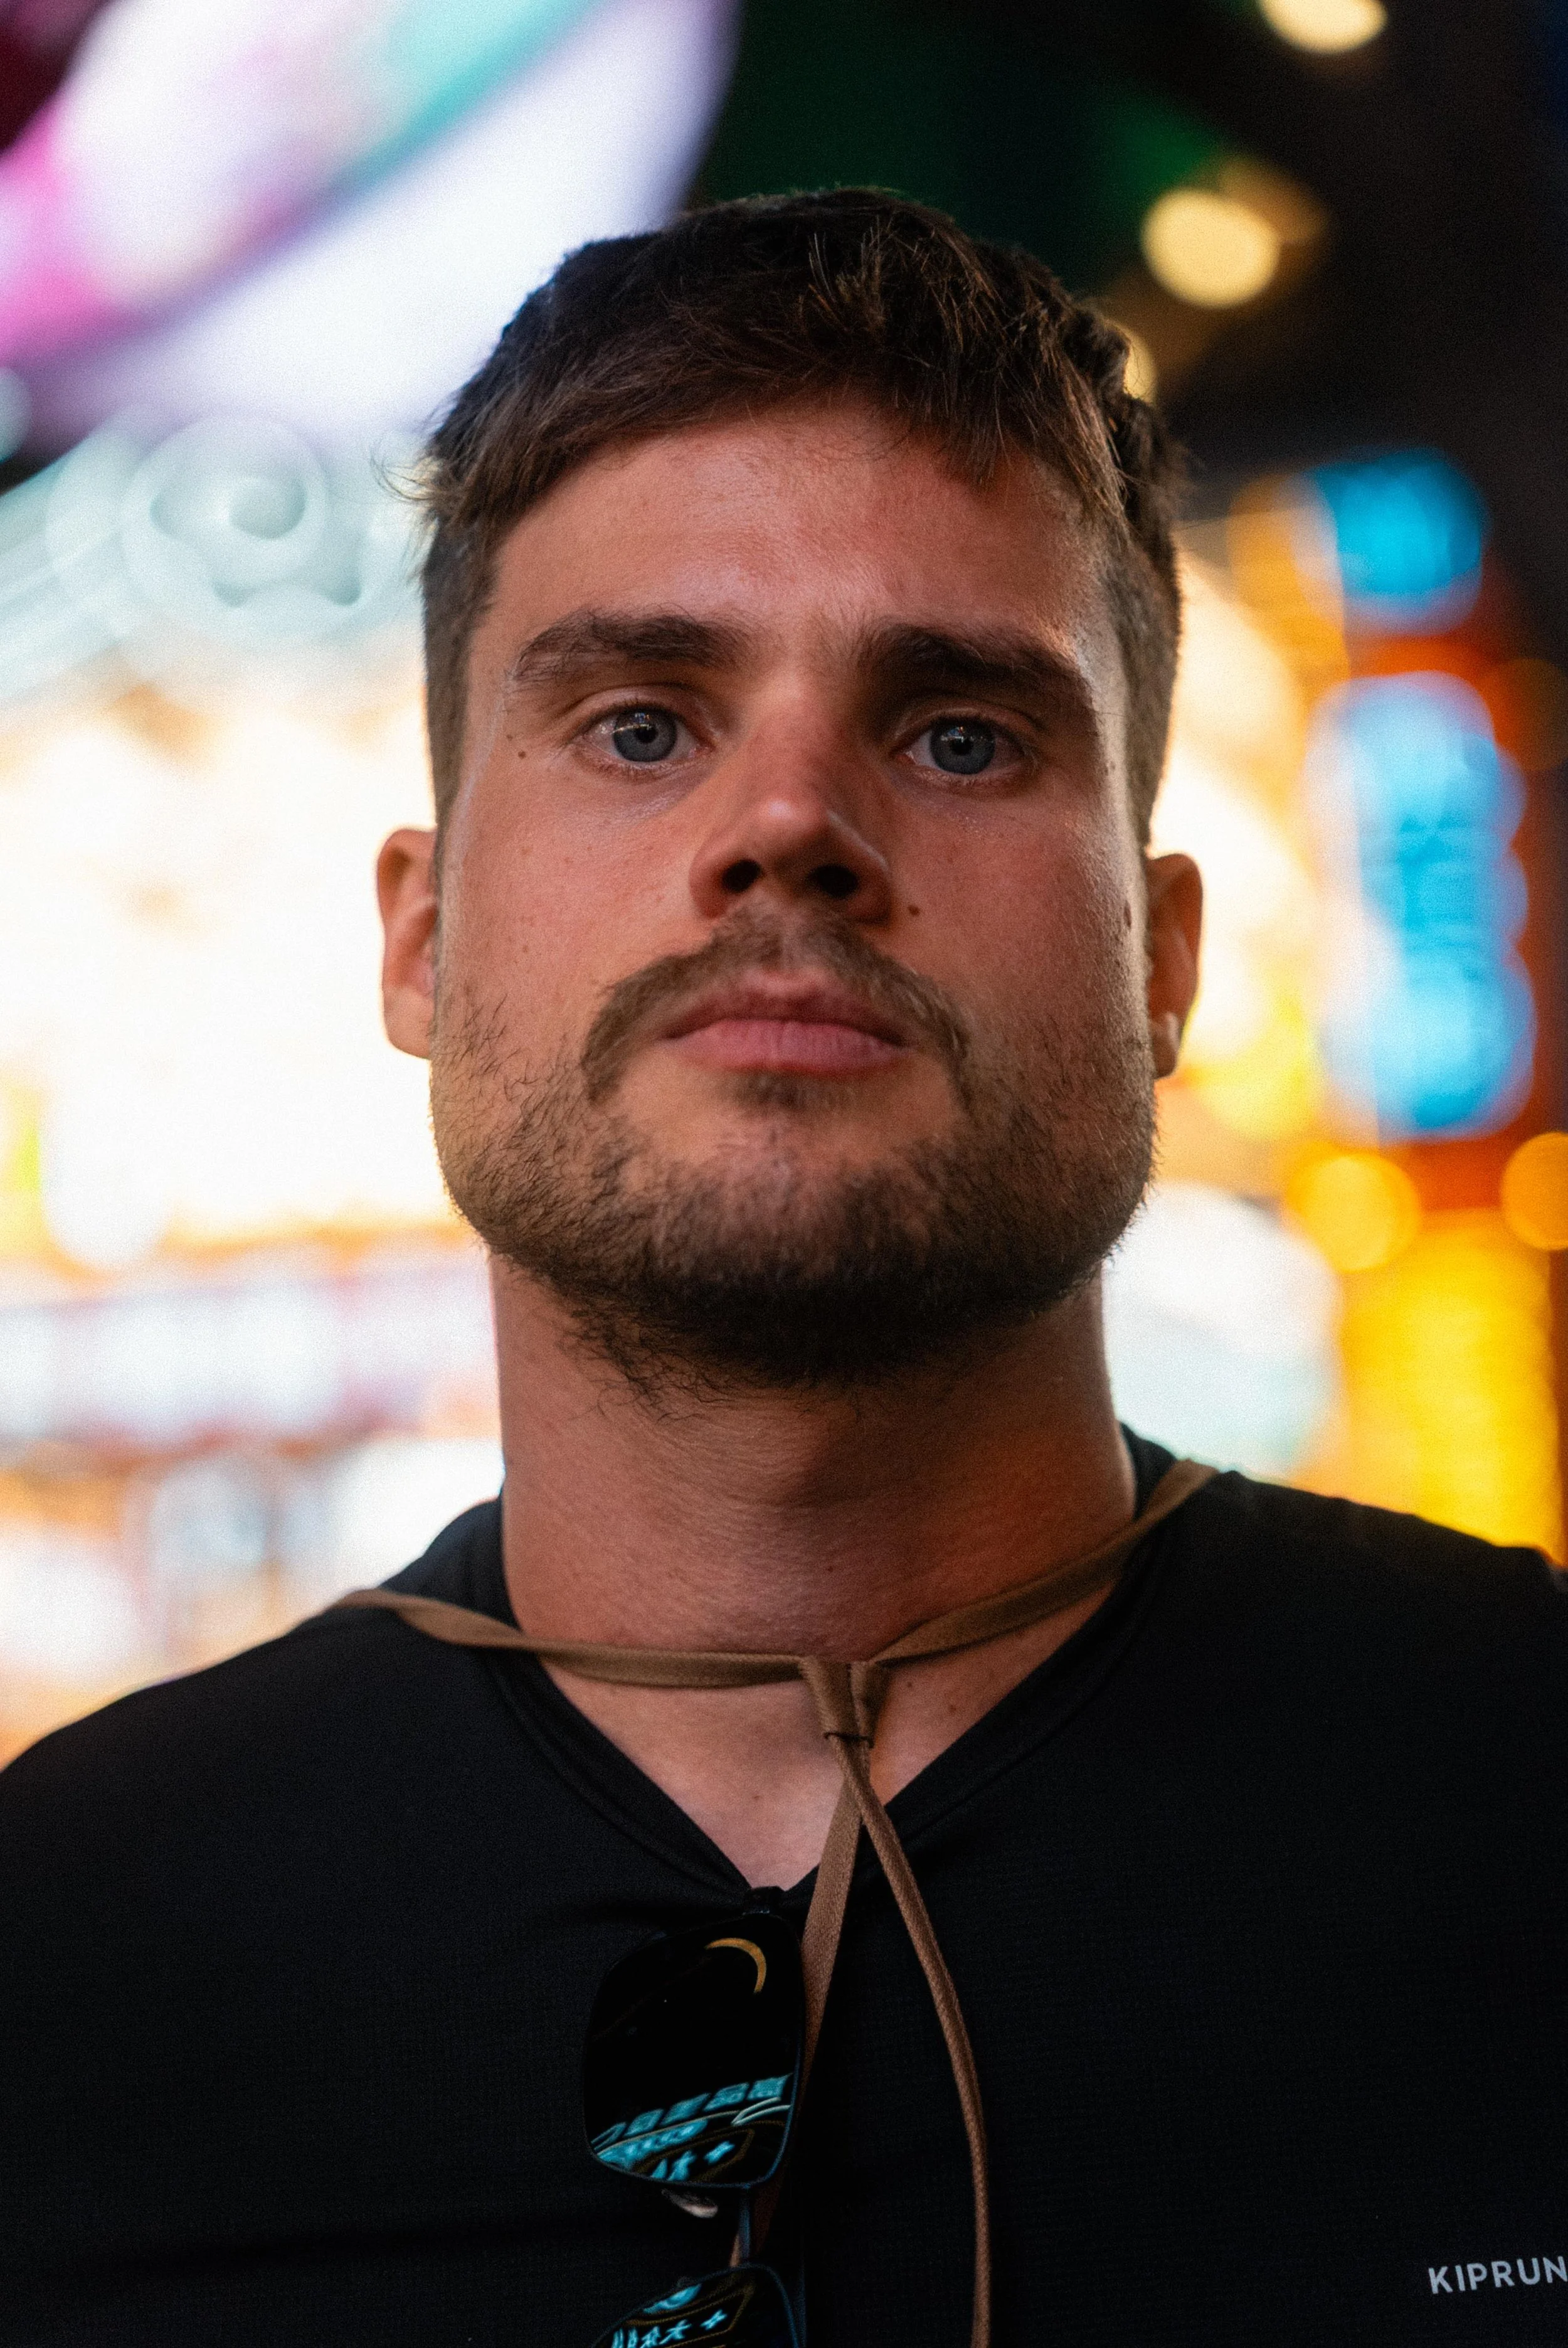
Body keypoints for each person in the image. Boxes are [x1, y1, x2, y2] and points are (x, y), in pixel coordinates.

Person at [4, 190, 1567, 2348]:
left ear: (1166, 958)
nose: (788, 821)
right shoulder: (65, 1949)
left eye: (957, 732)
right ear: (424, 941)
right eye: (641, 721)